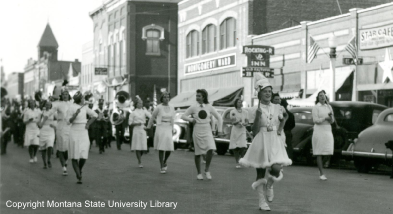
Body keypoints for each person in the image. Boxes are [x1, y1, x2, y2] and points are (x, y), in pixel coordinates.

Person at [239, 73, 292, 211]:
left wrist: (282, 123)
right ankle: (262, 202)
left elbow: (281, 125)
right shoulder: (254, 110)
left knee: (276, 168)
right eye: (265, 92)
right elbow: (255, 131)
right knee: (260, 173)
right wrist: (257, 117)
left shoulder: (277, 107)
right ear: (260, 93)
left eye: (270, 91)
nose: (268, 94)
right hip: (261, 140)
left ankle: (269, 185)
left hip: (274, 139)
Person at [181, 89, 223, 180]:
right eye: (196, 96)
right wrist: (191, 120)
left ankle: (207, 170)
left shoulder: (209, 107)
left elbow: (219, 117)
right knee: (197, 153)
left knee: (211, 149)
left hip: (207, 129)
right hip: (197, 130)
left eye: (199, 96)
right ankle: (199, 173)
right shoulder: (193, 107)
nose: (197, 97)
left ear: (204, 97)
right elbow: (183, 116)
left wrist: (219, 130)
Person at [67, 91, 97, 184]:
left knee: (84, 154)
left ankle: (79, 169)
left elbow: (95, 115)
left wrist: (88, 123)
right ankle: (78, 175)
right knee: (75, 155)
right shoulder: (71, 107)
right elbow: (68, 121)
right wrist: (75, 114)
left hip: (83, 131)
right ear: (80, 99)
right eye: (83, 98)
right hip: (74, 130)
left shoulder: (85, 107)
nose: (84, 100)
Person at [147, 92, 175, 174]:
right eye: (165, 97)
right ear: (162, 98)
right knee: (162, 147)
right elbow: (152, 117)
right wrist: (149, 126)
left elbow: (173, 119)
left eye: (168, 97)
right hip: (161, 127)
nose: (166, 98)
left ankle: (165, 160)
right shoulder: (158, 107)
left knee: (169, 147)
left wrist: (173, 128)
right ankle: (161, 165)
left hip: (168, 127)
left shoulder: (172, 107)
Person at [312, 90, 334, 181]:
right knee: (319, 152)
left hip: (327, 130)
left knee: (329, 151)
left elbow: (332, 121)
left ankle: (320, 166)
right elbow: (315, 120)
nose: (322, 97)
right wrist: (325, 118)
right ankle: (321, 173)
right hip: (319, 130)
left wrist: (331, 118)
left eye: (323, 95)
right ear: (318, 98)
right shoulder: (316, 107)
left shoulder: (329, 106)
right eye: (320, 95)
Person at [49, 89, 72, 175]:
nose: (65, 95)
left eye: (66, 94)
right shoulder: (58, 104)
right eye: (63, 94)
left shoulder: (72, 103)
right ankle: (64, 167)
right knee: (61, 148)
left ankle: (66, 161)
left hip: (70, 127)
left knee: (67, 148)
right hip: (61, 126)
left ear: (68, 95)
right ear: (61, 96)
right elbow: (50, 111)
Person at [129, 98, 151, 168]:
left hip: (143, 128)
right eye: (139, 103)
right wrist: (136, 123)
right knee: (138, 146)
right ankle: (139, 161)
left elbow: (151, 116)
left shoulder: (144, 111)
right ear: (136, 104)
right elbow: (130, 123)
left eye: (141, 103)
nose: (140, 104)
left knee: (143, 146)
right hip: (136, 129)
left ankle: (139, 157)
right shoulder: (133, 113)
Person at [229, 98, 249, 168]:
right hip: (235, 131)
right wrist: (238, 122)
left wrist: (245, 124)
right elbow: (233, 122)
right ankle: (237, 161)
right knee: (235, 147)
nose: (240, 104)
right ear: (236, 103)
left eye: (241, 102)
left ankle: (242, 160)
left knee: (243, 146)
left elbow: (247, 121)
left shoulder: (245, 112)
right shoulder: (232, 111)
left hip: (242, 130)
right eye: (238, 102)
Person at [37, 100, 56, 169]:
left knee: (50, 145)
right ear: (44, 105)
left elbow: (57, 120)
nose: (48, 106)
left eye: (49, 104)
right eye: (47, 104)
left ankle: (48, 160)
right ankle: (44, 163)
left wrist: (54, 125)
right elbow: (38, 122)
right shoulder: (41, 113)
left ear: (51, 106)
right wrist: (39, 125)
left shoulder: (53, 113)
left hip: (50, 130)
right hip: (43, 130)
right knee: (43, 148)